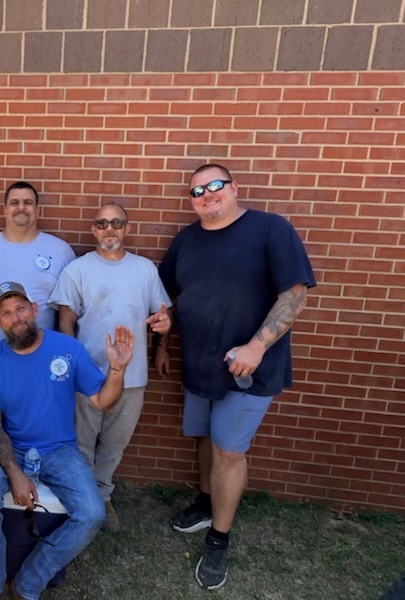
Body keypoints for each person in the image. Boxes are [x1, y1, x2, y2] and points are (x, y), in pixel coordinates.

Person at [158, 164, 316, 591]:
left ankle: (219, 538)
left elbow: (295, 293)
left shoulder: (270, 230)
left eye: (215, 186)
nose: (207, 195)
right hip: (198, 364)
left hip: (248, 370)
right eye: (197, 191)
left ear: (234, 188)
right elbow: (172, 294)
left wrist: (258, 345)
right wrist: (165, 321)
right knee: (206, 439)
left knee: (229, 451)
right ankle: (208, 504)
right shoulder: (186, 241)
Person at [0, 281, 134, 600]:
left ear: (35, 309)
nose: (15, 317)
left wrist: (117, 370)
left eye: (21, 308)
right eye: (6, 313)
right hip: (11, 447)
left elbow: (103, 401)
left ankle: (27, 584)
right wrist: (16, 475)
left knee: (92, 513)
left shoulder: (68, 349)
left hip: (60, 449)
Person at [49, 202, 172, 532]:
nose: (109, 229)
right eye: (102, 224)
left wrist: (163, 333)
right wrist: (71, 364)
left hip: (132, 374)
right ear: (94, 230)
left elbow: (162, 315)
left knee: (115, 443)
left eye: (116, 223)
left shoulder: (144, 270)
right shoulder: (78, 270)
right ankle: (81, 499)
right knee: (82, 441)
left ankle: (101, 496)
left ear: (127, 229)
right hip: (87, 374)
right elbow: (66, 319)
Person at [0, 181, 74, 356]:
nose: (21, 208)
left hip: (42, 363)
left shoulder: (60, 251)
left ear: (37, 210)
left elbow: (68, 310)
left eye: (28, 202)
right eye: (14, 203)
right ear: (5, 210)